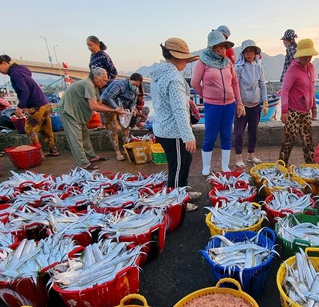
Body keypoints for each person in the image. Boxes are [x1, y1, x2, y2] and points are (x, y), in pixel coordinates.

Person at [151, 38, 202, 211]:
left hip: (162, 128)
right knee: (178, 167)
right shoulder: (174, 79)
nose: (186, 63)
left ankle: (183, 192)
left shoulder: (158, 74)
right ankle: (177, 202)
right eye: (185, 59)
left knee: (184, 161)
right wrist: (188, 136)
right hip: (173, 132)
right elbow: (179, 110)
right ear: (176, 57)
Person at [191, 30, 245, 175]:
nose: (222, 50)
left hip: (229, 105)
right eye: (219, 46)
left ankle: (225, 166)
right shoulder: (202, 62)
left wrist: (239, 103)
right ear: (211, 47)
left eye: (224, 47)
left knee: (227, 135)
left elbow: (235, 83)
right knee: (210, 135)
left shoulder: (228, 63)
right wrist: (206, 96)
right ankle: (206, 166)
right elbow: (195, 83)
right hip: (212, 106)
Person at [0, 54, 59, 157]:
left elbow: (24, 91)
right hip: (44, 104)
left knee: (30, 129)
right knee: (46, 128)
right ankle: (53, 149)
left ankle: (38, 154)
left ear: (4, 63)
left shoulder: (15, 74)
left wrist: (20, 107)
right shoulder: (21, 70)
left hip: (36, 105)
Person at [57, 67, 124, 170]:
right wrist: (114, 110)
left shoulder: (94, 87)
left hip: (77, 112)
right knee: (76, 138)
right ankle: (83, 162)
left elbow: (98, 103)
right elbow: (94, 106)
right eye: (104, 80)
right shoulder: (88, 84)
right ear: (96, 77)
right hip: (68, 111)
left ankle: (91, 156)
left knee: (84, 135)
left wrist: (115, 108)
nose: (105, 83)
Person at [279, 39, 318, 165]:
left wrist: (313, 106)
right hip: (293, 111)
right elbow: (285, 90)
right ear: (299, 55)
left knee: (308, 141)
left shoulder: (311, 68)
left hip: (306, 112)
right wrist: (284, 111)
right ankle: (281, 165)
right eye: (305, 56)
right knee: (289, 140)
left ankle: (310, 166)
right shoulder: (292, 70)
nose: (308, 58)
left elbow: (311, 89)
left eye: (309, 56)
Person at [233, 39, 268, 167]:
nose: (249, 54)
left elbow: (262, 85)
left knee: (253, 131)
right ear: (243, 53)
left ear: (255, 53)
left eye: (251, 51)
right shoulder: (238, 68)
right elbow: (235, 86)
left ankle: (250, 155)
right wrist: (239, 103)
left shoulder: (259, 67)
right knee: (239, 132)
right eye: (246, 51)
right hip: (242, 106)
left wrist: (265, 101)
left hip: (255, 105)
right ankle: (238, 157)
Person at [99, 73, 144, 161]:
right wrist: (116, 108)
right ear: (129, 80)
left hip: (122, 108)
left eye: (137, 85)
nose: (135, 87)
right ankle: (117, 152)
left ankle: (125, 147)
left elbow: (133, 102)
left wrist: (132, 109)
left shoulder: (135, 90)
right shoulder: (120, 85)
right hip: (109, 106)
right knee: (113, 128)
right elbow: (109, 97)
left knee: (126, 128)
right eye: (133, 84)